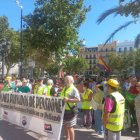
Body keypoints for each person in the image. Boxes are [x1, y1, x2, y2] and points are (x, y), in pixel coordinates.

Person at [60, 75, 80, 140]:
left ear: (71, 81)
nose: (66, 81)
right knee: (66, 126)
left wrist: (68, 100)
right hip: (64, 110)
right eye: (65, 80)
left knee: (70, 126)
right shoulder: (65, 88)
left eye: (67, 80)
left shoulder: (74, 89)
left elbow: (78, 100)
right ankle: (67, 138)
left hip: (71, 111)